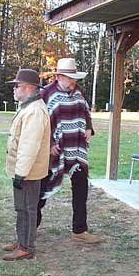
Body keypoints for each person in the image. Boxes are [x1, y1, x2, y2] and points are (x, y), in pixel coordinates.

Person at [38, 58, 99, 244]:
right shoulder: (45, 94)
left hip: (76, 148)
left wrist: (89, 127)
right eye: (69, 78)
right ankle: (30, 227)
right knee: (41, 190)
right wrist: (49, 144)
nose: (73, 82)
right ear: (59, 76)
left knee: (81, 187)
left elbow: (85, 112)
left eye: (74, 78)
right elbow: (39, 122)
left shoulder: (78, 91)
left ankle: (79, 230)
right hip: (54, 151)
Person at [2, 69, 50, 261]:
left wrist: (20, 174)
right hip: (25, 171)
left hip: (29, 172)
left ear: (30, 88)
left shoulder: (34, 111)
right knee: (22, 208)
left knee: (28, 208)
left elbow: (29, 146)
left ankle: (27, 247)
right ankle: (22, 241)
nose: (14, 89)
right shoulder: (27, 107)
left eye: (17, 86)